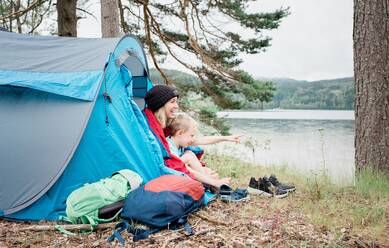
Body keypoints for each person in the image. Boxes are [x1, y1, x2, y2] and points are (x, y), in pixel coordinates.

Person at [143, 85, 232, 188]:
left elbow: (197, 141)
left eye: (176, 101)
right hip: (166, 171)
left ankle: (211, 182)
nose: (177, 106)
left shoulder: (168, 125)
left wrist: (225, 138)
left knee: (202, 167)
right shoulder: (151, 128)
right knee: (190, 158)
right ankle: (213, 184)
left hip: (176, 166)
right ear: (160, 104)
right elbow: (170, 163)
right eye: (172, 102)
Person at [167, 113, 241, 188]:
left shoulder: (181, 140)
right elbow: (185, 169)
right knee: (188, 155)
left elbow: (205, 140)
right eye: (191, 135)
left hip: (181, 170)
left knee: (209, 172)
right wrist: (214, 182)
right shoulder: (170, 146)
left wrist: (226, 138)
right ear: (180, 133)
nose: (193, 139)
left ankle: (209, 182)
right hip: (172, 172)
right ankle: (211, 184)